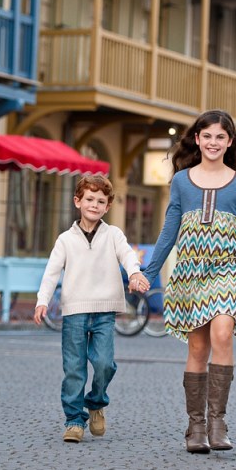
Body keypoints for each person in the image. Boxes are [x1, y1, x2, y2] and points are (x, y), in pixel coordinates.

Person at [141, 110, 236, 454]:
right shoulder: (182, 181)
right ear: (197, 139)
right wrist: (149, 273)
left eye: (220, 137)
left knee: (222, 333)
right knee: (197, 348)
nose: (213, 142)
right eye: (207, 136)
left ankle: (217, 423)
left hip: (228, 270)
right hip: (191, 274)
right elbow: (169, 230)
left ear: (230, 141)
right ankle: (196, 427)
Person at [34, 174, 149, 443]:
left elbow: (128, 255)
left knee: (104, 364)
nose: (94, 205)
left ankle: (96, 402)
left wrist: (134, 272)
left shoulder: (114, 235)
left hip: (104, 312)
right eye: (89, 199)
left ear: (107, 207)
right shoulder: (65, 239)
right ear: (78, 201)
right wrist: (42, 300)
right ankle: (74, 420)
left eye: (100, 201)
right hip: (74, 311)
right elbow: (51, 273)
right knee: (74, 368)